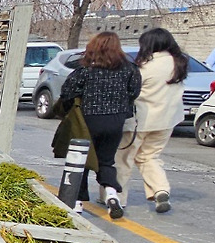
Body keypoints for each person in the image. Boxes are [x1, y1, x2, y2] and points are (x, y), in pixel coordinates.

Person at [59, 31, 141, 219]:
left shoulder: (85, 70)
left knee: (83, 161)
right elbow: (134, 92)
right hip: (116, 121)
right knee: (106, 161)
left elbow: (67, 92)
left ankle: (77, 203)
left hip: (88, 120)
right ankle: (112, 195)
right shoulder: (129, 69)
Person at [116, 28, 187, 213]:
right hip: (167, 120)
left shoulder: (145, 67)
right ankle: (160, 190)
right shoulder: (178, 63)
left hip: (140, 121)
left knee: (124, 159)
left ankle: (117, 198)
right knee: (149, 156)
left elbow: (131, 91)